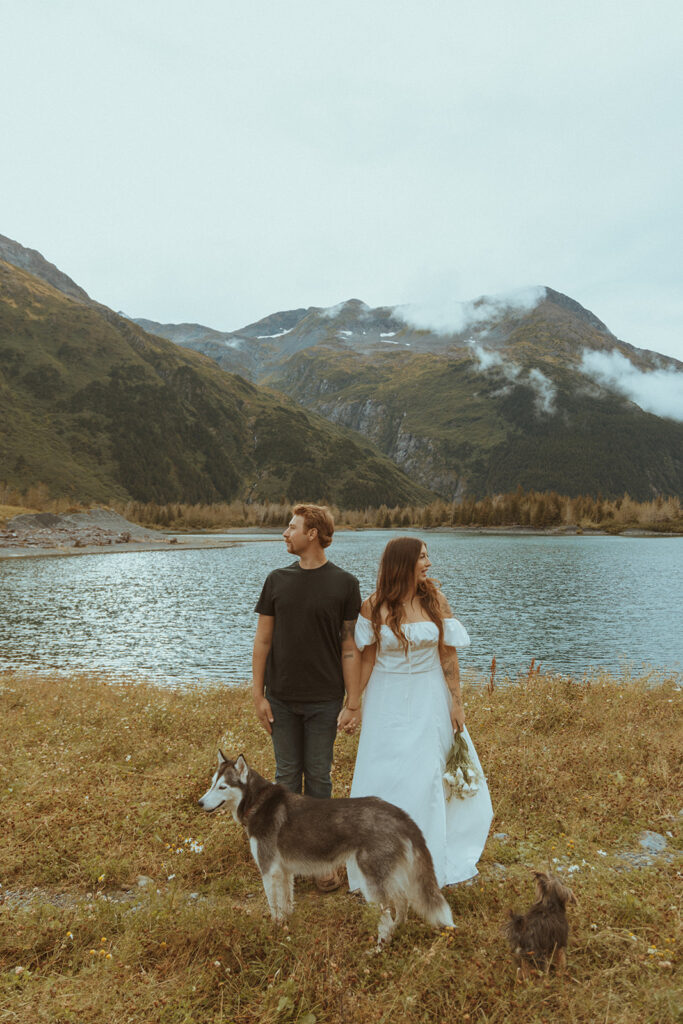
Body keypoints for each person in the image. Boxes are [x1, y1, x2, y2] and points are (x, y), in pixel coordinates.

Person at [347, 536, 493, 890]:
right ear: (403, 562)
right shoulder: (373, 605)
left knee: (429, 774)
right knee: (386, 773)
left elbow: (448, 654)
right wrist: (354, 703)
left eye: (427, 556)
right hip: (387, 698)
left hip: (430, 696)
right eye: (423, 557)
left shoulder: (434, 600)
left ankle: (429, 860)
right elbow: (366, 657)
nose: (428, 563)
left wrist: (456, 703)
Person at [252, 503, 361, 889]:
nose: (285, 532)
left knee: (318, 779)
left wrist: (353, 701)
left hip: (324, 701)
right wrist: (257, 695)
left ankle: (322, 862)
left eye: (292, 526)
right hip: (280, 697)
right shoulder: (276, 580)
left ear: (312, 533)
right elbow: (263, 640)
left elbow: (349, 647)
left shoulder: (345, 584)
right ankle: (285, 856)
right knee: (285, 779)